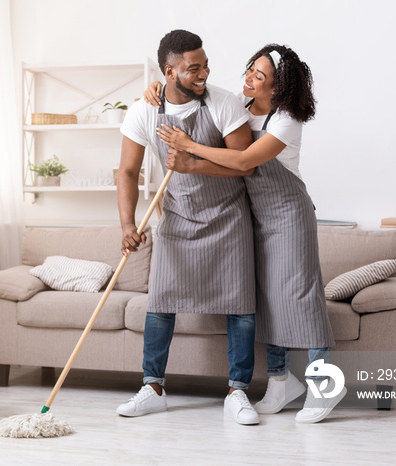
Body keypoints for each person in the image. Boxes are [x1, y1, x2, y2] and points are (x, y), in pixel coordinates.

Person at [151, 44, 346, 423]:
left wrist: (191, 150)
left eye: (261, 76)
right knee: (268, 300)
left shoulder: (286, 119)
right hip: (254, 217)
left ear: (278, 87)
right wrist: (155, 87)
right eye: (250, 70)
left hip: (289, 215)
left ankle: (324, 387)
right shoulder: (239, 107)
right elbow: (186, 88)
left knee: (301, 297)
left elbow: (244, 161)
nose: (250, 79)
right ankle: (280, 382)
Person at [116, 29, 260, 425]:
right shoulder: (144, 110)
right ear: (169, 71)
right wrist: (127, 223)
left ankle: (237, 391)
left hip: (228, 218)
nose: (203, 74)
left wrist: (193, 161)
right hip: (177, 217)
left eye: (205, 66)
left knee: (240, 308)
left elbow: (244, 164)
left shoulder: (224, 104)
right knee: (160, 303)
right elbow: (127, 172)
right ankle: (153, 388)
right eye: (193, 68)